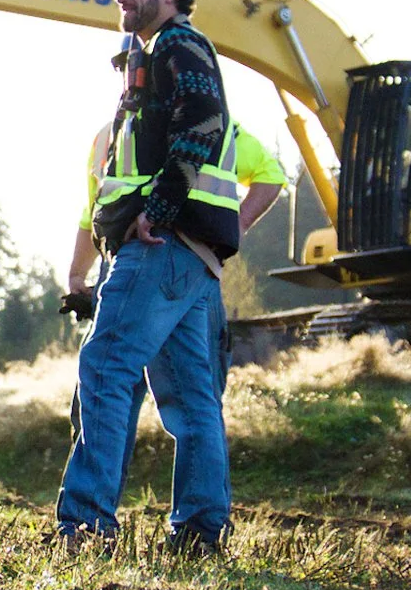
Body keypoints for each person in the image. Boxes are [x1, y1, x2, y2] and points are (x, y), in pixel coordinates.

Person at [56, 0, 243, 552]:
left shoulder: (177, 46)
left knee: (105, 366)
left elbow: (202, 126)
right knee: (192, 400)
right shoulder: (160, 54)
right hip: (193, 258)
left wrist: (155, 212)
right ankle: (199, 532)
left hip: (161, 245)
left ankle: (86, 525)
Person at [64, 99, 287, 410]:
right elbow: (270, 175)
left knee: (106, 388)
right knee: (196, 401)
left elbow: (93, 215)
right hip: (193, 258)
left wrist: (77, 273)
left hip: (124, 262)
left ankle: (105, 460)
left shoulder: (107, 136)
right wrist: (234, 227)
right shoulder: (211, 123)